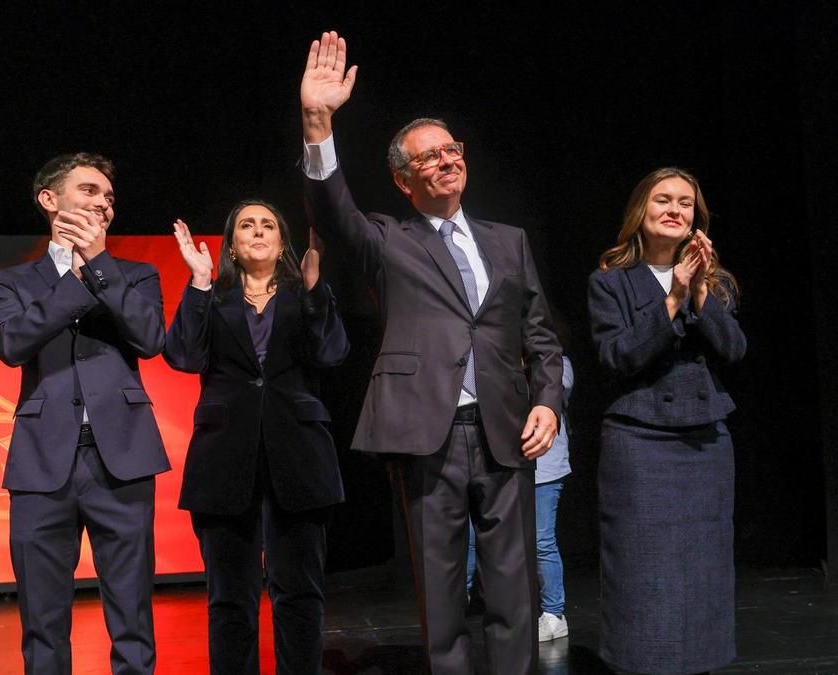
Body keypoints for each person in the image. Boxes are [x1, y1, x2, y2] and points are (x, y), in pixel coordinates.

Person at [299, 32, 564, 674]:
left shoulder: (508, 241)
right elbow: (333, 213)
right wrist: (318, 122)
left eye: (453, 151)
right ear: (402, 178)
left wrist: (549, 404)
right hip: (427, 434)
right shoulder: (389, 239)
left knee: (512, 593)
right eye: (430, 157)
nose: (447, 162)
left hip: (506, 430)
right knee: (441, 596)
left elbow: (541, 336)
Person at [0, 152, 170, 674]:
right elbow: (11, 343)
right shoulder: (12, 282)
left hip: (123, 459)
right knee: (42, 618)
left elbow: (150, 338)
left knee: (132, 611)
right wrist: (74, 276)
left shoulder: (135, 275)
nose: (103, 204)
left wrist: (99, 267)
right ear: (50, 200)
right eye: (90, 191)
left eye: (109, 197)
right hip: (43, 462)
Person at [162, 200, 349, 674]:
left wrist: (313, 290)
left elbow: (331, 353)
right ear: (231, 245)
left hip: (300, 457)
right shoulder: (214, 296)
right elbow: (183, 355)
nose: (259, 231)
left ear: (283, 242)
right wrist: (200, 282)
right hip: (224, 460)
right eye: (247, 225)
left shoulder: (304, 294)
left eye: (269, 224)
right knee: (229, 599)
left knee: (300, 594)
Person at [587, 167, 744, 674]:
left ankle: (702, 661)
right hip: (639, 440)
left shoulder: (714, 283)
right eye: (663, 200)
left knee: (704, 567)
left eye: (686, 203)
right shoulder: (609, 282)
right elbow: (617, 357)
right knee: (642, 569)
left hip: (706, 441)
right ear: (641, 210)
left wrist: (698, 294)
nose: (675, 210)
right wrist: (672, 300)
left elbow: (734, 350)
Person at [465, 352, 574, 642]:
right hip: (505, 464)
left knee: (541, 541)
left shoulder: (558, 364)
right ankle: (461, 600)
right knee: (475, 536)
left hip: (546, 469)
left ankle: (554, 614)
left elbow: (549, 395)